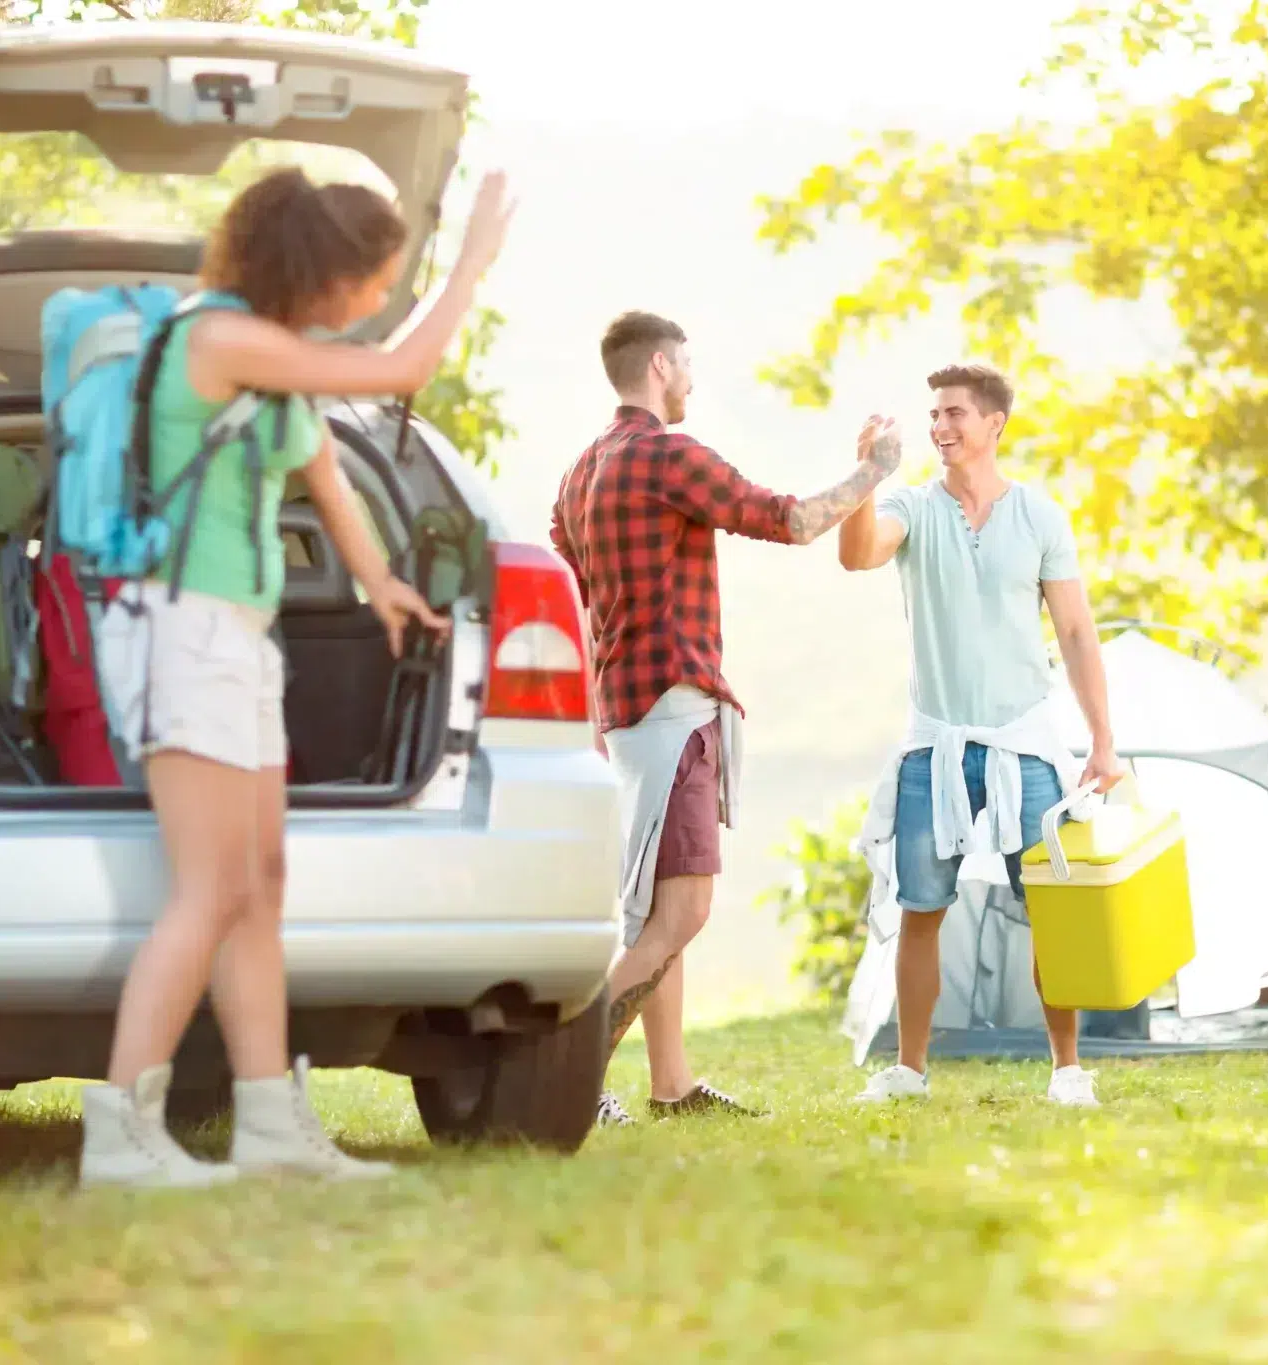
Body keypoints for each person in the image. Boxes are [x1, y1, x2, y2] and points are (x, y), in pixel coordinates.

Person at [78, 165, 514, 1187]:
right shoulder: (216, 339)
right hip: (180, 631)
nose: (375, 302)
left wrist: (380, 585)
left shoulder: (273, 361)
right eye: (373, 282)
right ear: (323, 273)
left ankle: (271, 1125)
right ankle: (120, 1134)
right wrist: (471, 265)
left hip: (235, 636)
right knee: (212, 887)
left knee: (261, 884)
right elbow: (403, 372)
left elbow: (322, 472)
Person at [550, 310, 905, 1127]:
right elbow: (786, 518)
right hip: (675, 705)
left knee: (653, 909)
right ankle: (562, 1078)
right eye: (689, 367)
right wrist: (871, 472)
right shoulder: (668, 455)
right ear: (663, 366)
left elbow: (567, 570)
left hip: (627, 712)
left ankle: (670, 1085)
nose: (693, 381)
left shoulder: (581, 471)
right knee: (684, 911)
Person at [839, 362, 1123, 1108]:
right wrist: (866, 476)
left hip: (1026, 744)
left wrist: (1103, 741)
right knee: (921, 909)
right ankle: (908, 1069)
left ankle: (1067, 1070)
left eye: (955, 414)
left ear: (994, 423)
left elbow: (1075, 632)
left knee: (1052, 913)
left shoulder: (1039, 517)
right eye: (934, 415)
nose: (941, 427)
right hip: (934, 745)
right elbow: (857, 553)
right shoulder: (912, 507)